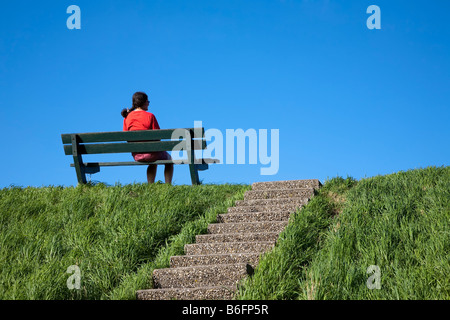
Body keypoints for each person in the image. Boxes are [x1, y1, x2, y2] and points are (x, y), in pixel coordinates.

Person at [121, 91, 174, 184]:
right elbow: (158, 136)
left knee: (153, 161)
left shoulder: (127, 118)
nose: (148, 104)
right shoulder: (150, 116)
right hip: (151, 153)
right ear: (144, 102)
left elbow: (126, 137)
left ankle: (151, 185)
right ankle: (168, 185)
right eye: (148, 101)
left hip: (136, 155)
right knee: (170, 160)